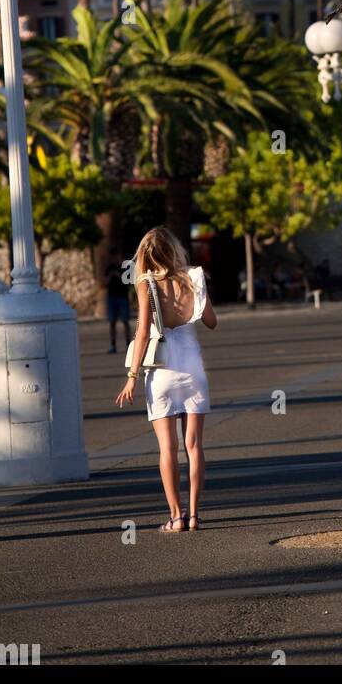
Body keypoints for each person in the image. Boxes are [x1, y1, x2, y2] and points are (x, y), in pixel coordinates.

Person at [115, 227, 217, 532]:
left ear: (145, 254)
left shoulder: (146, 284)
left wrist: (132, 377)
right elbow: (212, 322)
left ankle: (175, 516)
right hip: (193, 370)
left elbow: (143, 333)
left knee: (167, 449)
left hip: (161, 372)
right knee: (194, 446)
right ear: (174, 249)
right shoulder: (195, 278)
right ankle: (195, 515)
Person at [106, 260, 130, 355]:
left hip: (122, 297)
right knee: (112, 322)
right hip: (112, 297)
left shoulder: (125, 267)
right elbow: (104, 282)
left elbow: (128, 283)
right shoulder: (109, 267)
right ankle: (113, 345)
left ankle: (128, 344)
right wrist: (111, 276)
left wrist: (119, 276)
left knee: (125, 321)